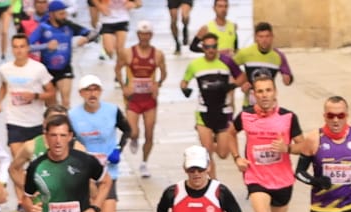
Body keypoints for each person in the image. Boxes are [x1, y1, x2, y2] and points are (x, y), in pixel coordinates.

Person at [231, 76, 302, 212]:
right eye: (259, 91)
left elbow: (304, 146)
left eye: (268, 90)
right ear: (254, 94)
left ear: (275, 92)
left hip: (282, 180)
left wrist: (287, 148)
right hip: (256, 178)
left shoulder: (288, 117)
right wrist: (237, 158)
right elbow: (231, 133)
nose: (264, 95)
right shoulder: (245, 116)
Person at [68, 75, 131, 212]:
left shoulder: (112, 111)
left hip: (107, 172)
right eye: (88, 90)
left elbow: (127, 129)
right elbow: (68, 140)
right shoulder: (72, 115)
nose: (92, 93)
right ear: (81, 93)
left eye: (95, 89)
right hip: (85, 175)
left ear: (101, 91)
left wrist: (118, 148)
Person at [0, 31, 54, 191]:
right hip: (14, 121)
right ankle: (23, 201)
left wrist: (34, 96)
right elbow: (3, 86)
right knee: (18, 163)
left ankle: (38, 191)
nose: (19, 50)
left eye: (22, 47)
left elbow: (51, 91)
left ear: (28, 48)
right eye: (15, 47)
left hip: (35, 122)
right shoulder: (4, 69)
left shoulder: (38, 69)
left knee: (38, 163)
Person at [180, 31, 237, 173]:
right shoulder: (195, 65)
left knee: (223, 154)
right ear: (203, 48)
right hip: (203, 112)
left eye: (213, 47)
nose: (210, 50)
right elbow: (184, 81)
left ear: (217, 47)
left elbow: (242, 77)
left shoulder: (226, 61)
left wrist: (231, 87)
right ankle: (213, 184)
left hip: (223, 112)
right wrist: (185, 90)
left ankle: (212, 143)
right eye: (207, 47)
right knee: (207, 153)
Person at [29, 0, 96, 107]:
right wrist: (45, 46)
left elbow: (93, 34)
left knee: (66, 102)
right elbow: (27, 46)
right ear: (51, 14)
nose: (64, 16)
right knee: (51, 105)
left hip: (65, 69)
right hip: (47, 71)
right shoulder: (43, 27)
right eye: (60, 14)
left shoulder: (69, 25)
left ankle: (66, 122)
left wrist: (86, 39)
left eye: (64, 13)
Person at [119, 23, 166, 175]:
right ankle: (134, 139)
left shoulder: (157, 54)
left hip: (149, 100)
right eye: (141, 34)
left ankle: (144, 162)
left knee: (149, 133)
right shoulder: (128, 53)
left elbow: (164, 72)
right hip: (133, 99)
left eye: (147, 34)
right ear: (138, 34)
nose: (144, 37)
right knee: (132, 132)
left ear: (151, 35)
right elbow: (117, 69)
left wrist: (158, 84)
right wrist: (124, 87)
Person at [233, 20, 292, 110]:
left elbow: (288, 79)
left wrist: (287, 78)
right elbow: (228, 68)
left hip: (270, 106)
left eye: (267, 36)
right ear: (256, 37)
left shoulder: (278, 56)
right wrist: (241, 81)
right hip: (250, 106)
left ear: (272, 37)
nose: (264, 40)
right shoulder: (245, 53)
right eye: (261, 36)